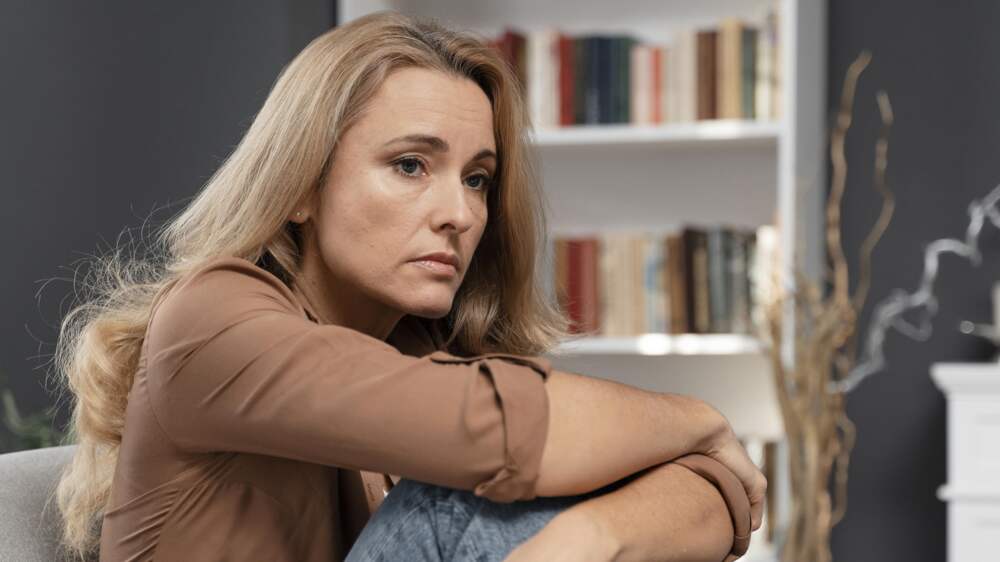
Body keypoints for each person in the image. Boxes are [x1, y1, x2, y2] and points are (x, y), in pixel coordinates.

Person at [51, 10, 765, 562]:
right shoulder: (213, 318)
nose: (461, 214)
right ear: (301, 184)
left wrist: (591, 537)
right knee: (457, 502)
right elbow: (506, 435)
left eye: (477, 179)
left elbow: (720, 496)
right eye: (410, 165)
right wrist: (699, 418)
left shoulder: (419, 353)